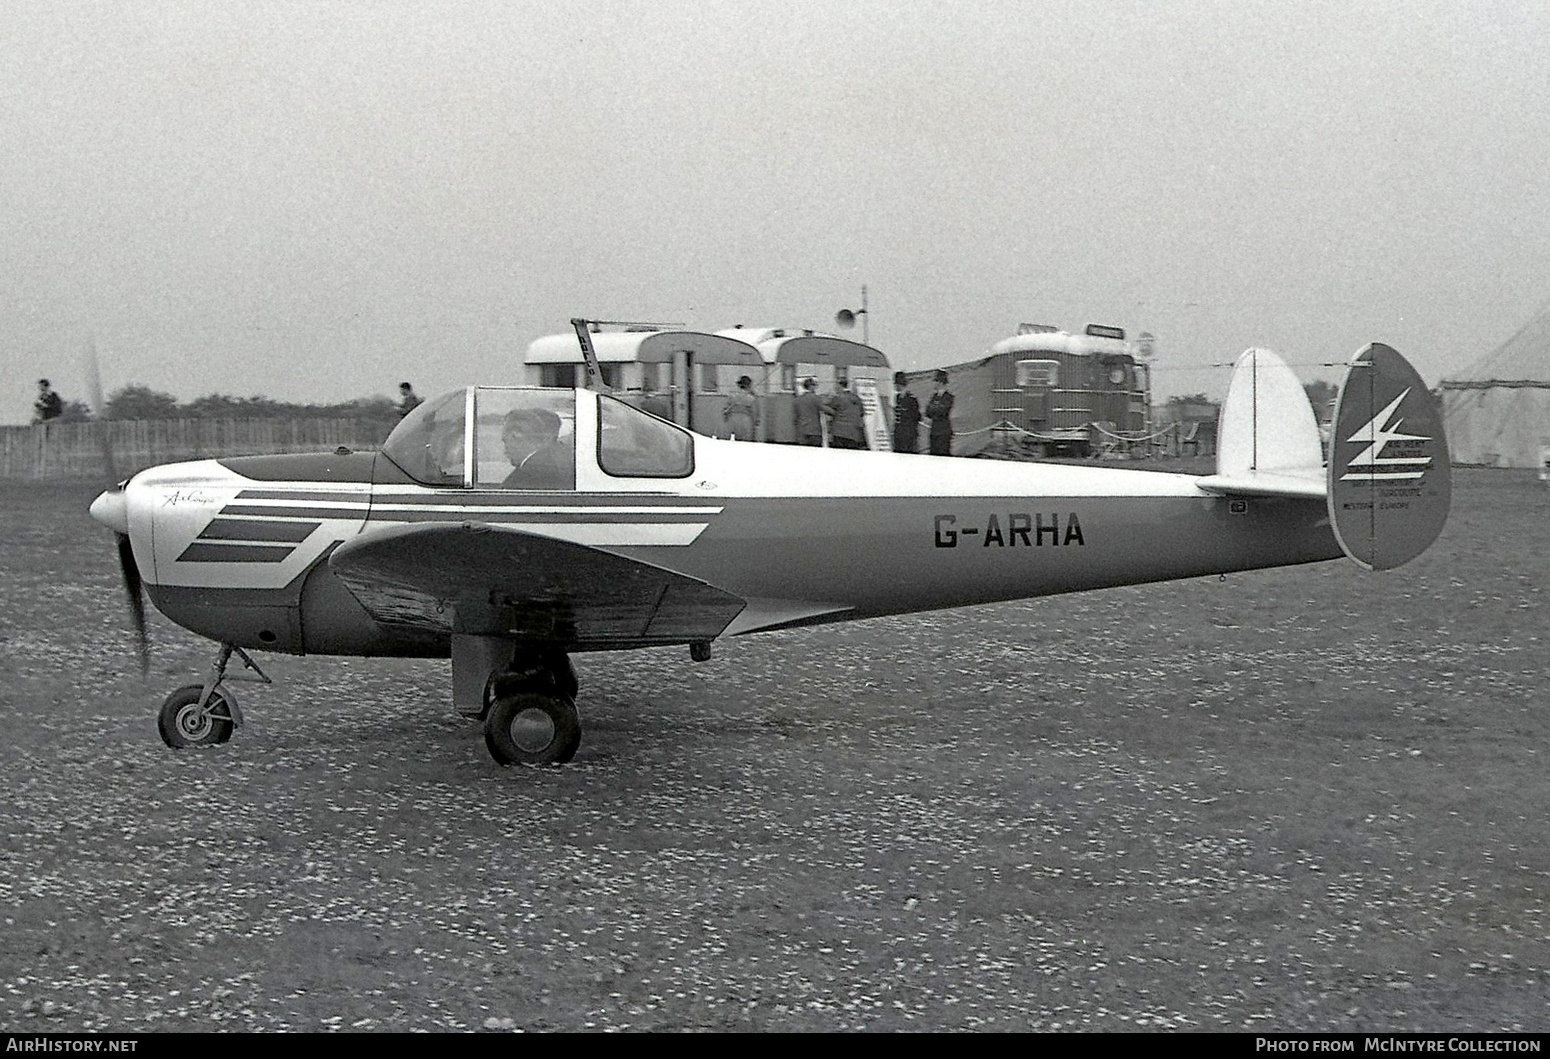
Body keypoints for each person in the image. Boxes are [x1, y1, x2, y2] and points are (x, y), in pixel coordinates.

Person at [501, 407, 572, 490]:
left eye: (506, 442)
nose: (505, 451)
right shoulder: (560, 464)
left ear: (517, 436)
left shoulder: (520, 480)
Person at [821, 376, 869, 450]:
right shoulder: (857, 398)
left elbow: (826, 408)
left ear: (839, 385)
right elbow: (861, 413)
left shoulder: (838, 398)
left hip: (840, 432)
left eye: (836, 385)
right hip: (854, 433)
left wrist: (829, 397)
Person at [891, 371, 922, 454]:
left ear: (899, 384)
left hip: (908, 434)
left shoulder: (911, 399)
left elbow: (917, 417)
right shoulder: (898, 398)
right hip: (899, 433)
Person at [925, 369, 955, 456]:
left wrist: (934, 409)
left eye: (935, 381)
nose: (933, 383)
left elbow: (943, 411)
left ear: (940, 382)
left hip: (943, 432)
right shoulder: (934, 396)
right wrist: (935, 409)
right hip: (934, 431)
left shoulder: (948, 397)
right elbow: (928, 411)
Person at [722, 375, 760, 441]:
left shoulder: (732, 396)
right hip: (746, 419)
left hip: (732, 418)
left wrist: (726, 418)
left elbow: (726, 409)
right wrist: (756, 422)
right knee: (746, 440)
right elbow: (754, 412)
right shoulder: (751, 398)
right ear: (748, 385)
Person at [793, 377, 823, 446]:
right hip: (814, 430)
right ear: (811, 387)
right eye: (814, 386)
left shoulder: (798, 400)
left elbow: (795, 416)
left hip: (802, 430)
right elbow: (824, 408)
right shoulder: (816, 398)